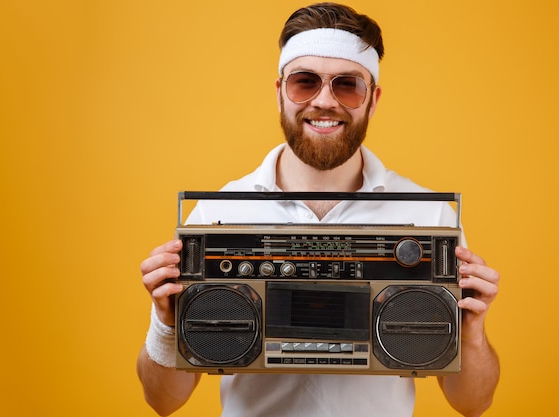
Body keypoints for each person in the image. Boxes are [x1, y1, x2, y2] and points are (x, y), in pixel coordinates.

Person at [137, 3, 500, 416]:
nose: (324, 101)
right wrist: (166, 323)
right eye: (304, 82)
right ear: (279, 93)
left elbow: (474, 403)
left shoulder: (430, 216)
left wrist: (471, 334)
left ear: (372, 99)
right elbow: (163, 400)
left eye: (347, 85)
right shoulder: (217, 213)